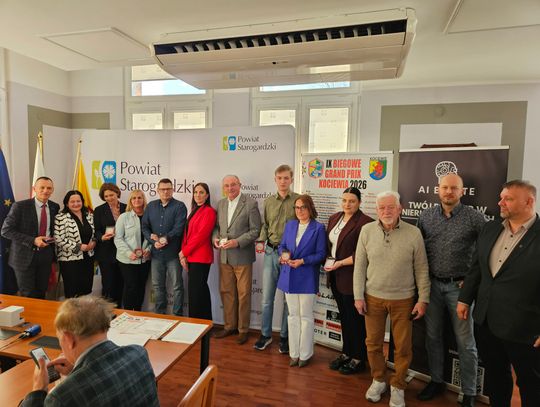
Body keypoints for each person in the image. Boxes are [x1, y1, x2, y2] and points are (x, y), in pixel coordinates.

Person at [458, 180, 540, 407]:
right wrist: (465, 299)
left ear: (529, 202)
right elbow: (477, 268)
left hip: (525, 328)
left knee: (531, 384)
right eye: (501, 197)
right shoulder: (490, 228)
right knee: (496, 376)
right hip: (487, 321)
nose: (500, 202)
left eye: (508, 199)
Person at [353, 191, 430, 407]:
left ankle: (398, 385)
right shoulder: (366, 231)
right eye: (382, 207)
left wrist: (423, 299)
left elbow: (422, 268)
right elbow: (360, 266)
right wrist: (358, 296)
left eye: (391, 207)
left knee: (403, 347)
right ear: (376, 210)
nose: (386, 211)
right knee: (373, 344)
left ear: (399, 209)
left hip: (404, 299)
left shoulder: (414, 233)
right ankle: (378, 379)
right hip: (372, 298)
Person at [416, 173, 485, 407]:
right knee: (433, 336)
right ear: (437, 189)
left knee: (465, 342)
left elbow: (487, 251)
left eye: (454, 188)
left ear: (462, 191)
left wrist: (474, 281)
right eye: (445, 187)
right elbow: (418, 251)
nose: (448, 192)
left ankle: (469, 392)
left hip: (460, 288)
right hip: (432, 286)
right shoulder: (425, 216)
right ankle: (436, 381)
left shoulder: (475, 218)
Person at [20, 295, 159, 407]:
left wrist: (38, 390)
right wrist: (76, 371)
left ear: (69, 339)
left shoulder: (62, 397)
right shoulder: (139, 353)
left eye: (59, 338)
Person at [325, 187, 373, 374]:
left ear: (359, 202)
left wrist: (340, 263)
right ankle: (347, 352)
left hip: (352, 277)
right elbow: (330, 245)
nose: (347, 204)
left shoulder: (365, 223)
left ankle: (358, 358)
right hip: (335, 276)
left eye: (352, 201)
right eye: (344, 200)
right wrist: (328, 262)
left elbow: (363, 253)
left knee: (355, 320)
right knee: (344, 317)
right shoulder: (334, 218)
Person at [254, 164, 299, 354]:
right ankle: (265, 335)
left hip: (290, 255)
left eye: (286, 178)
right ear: (275, 180)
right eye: (279, 178)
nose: (283, 181)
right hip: (271, 252)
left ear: (292, 179)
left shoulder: (298, 200)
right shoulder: (268, 202)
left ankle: (285, 337)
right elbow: (265, 225)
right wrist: (261, 240)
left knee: (288, 299)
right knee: (267, 299)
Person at [277, 194, 326, 367]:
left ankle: (305, 354)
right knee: (292, 316)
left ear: (310, 208)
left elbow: (321, 254)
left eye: (303, 207)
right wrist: (284, 256)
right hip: (289, 275)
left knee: (305, 316)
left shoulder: (318, 228)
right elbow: (282, 246)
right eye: (297, 207)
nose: (299, 211)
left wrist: (303, 261)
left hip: (306, 277)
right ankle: (294, 353)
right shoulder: (290, 225)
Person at [212, 175, 261, 345]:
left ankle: (243, 330)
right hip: (224, 256)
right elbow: (217, 228)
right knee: (227, 292)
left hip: (242, 256)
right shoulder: (221, 204)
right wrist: (215, 238)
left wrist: (237, 242)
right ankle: (229, 326)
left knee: (244, 295)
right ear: (223, 188)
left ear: (240, 185)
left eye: (233, 185)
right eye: (226, 185)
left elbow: (255, 230)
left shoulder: (250, 203)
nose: (230, 188)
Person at [1, 176, 59, 298]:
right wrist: (33, 240)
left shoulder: (55, 207)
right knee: (28, 295)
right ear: (34, 189)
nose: (45, 191)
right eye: (42, 187)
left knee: (42, 292)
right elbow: (6, 230)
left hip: (45, 256)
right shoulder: (20, 206)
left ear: (52, 190)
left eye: (49, 188)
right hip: (23, 257)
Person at [142, 178, 187, 315]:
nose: (165, 191)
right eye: (162, 189)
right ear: (158, 190)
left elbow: (178, 228)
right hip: (156, 255)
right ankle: (160, 314)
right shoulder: (151, 206)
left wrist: (164, 239)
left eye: (168, 189)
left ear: (172, 190)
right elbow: (144, 227)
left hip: (173, 254)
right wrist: (152, 240)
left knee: (177, 286)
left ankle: (177, 315)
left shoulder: (180, 206)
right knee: (157, 286)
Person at [179, 182, 216, 320]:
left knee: (197, 293)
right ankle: (202, 322)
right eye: (195, 192)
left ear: (207, 195)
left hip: (201, 257)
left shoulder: (209, 211)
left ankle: (198, 324)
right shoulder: (194, 210)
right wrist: (184, 255)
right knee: (198, 292)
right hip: (191, 256)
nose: (198, 195)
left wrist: (184, 252)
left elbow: (201, 236)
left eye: (201, 192)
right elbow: (186, 234)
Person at [54, 191, 96, 298]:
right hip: (69, 260)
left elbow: (95, 232)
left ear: (82, 202)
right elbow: (58, 238)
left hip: (88, 257)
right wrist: (79, 246)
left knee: (86, 288)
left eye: (78, 201)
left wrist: (94, 242)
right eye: (72, 201)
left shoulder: (89, 215)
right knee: (72, 290)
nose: (76, 204)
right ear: (67, 203)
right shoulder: (60, 217)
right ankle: (71, 309)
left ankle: (84, 309)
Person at [114, 190, 151, 311]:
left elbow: (153, 237)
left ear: (143, 199)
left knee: (141, 287)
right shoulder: (124, 217)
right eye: (133, 198)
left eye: (139, 197)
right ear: (130, 201)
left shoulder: (149, 217)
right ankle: (129, 314)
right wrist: (129, 253)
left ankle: (138, 313)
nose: (136, 200)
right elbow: (118, 238)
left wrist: (149, 249)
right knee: (131, 287)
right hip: (127, 260)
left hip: (144, 260)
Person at [93, 183, 126, 306]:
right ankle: (107, 311)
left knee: (121, 283)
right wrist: (102, 237)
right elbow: (96, 230)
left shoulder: (127, 207)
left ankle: (119, 309)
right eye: (106, 196)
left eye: (111, 195)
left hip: (124, 252)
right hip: (106, 253)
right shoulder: (99, 210)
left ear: (117, 193)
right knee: (108, 284)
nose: (109, 198)